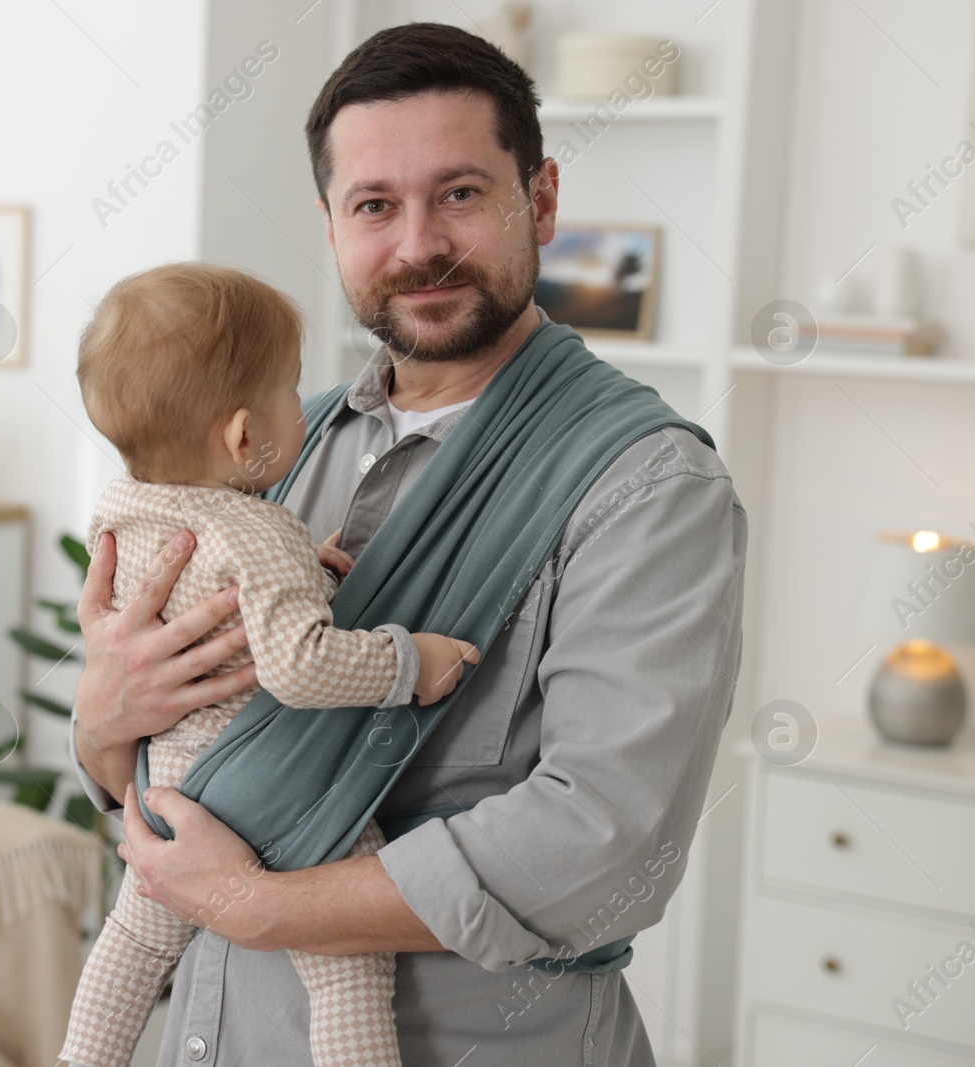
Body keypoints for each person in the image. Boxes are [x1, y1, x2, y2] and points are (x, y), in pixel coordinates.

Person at [69, 21, 747, 1067]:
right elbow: (167, 759)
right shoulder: (258, 459)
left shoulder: (646, 483)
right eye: (375, 205)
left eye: (462, 194)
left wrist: (256, 903)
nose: (418, 242)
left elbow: (605, 845)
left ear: (544, 199)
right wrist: (102, 722)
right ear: (332, 225)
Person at [59, 262, 479, 1067]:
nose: (304, 404)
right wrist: (408, 662)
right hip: (266, 790)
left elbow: (199, 590)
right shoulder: (259, 534)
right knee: (348, 967)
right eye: (290, 389)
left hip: (164, 792)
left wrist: (299, 570)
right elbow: (298, 666)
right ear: (246, 437)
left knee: (131, 945)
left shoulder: (125, 506)